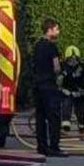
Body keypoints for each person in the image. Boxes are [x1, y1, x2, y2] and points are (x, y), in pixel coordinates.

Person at [30, 19, 67, 157]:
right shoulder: (52, 47)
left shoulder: (37, 46)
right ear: (50, 30)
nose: (58, 32)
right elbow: (56, 67)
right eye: (56, 29)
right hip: (49, 86)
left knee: (40, 117)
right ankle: (54, 147)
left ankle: (41, 147)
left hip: (38, 86)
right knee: (54, 117)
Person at [58, 45, 84, 129]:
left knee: (80, 111)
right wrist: (62, 90)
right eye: (70, 59)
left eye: (75, 59)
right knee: (66, 104)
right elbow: (57, 81)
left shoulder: (83, 67)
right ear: (67, 59)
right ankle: (66, 123)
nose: (73, 61)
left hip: (80, 91)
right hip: (67, 90)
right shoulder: (62, 66)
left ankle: (81, 124)